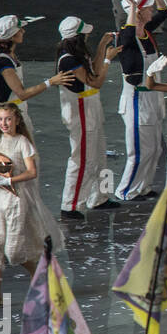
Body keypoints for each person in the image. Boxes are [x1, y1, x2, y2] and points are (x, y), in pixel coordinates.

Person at [0, 102, 63, 303]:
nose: (4, 123)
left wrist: (9, 180)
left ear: (16, 119)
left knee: (14, 251)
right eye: (0, 119)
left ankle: (39, 277)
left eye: (8, 119)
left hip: (15, 198)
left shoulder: (22, 142)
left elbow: (31, 171)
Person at [54, 17, 121, 220]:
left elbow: (94, 69)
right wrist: (108, 59)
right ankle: (70, 204)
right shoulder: (68, 60)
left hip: (91, 108)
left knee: (100, 154)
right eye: (86, 33)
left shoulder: (78, 54)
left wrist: (102, 46)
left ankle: (101, 196)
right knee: (81, 159)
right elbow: (96, 81)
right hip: (81, 112)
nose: (88, 35)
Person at [115, 0, 167, 202]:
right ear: (137, 13)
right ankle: (126, 189)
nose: (151, 10)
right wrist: (132, 8)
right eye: (147, 7)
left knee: (154, 148)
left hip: (152, 97)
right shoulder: (125, 38)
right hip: (137, 100)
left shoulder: (146, 32)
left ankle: (143, 186)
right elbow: (127, 36)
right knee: (139, 150)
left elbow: (164, 12)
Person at [0, 15, 72, 134]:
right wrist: (51, 82)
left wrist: (4, 84)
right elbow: (22, 94)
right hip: (9, 119)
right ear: (13, 35)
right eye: (20, 29)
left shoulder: (2, 54)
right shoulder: (4, 61)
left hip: (13, 113)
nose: (23, 31)